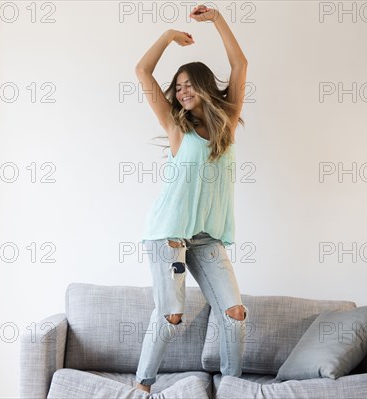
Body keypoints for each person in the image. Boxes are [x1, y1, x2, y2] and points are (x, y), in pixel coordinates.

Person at [133, 4, 249, 394]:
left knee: (234, 314)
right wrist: (168, 36)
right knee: (172, 317)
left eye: (188, 85)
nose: (181, 91)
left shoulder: (227, 125)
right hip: (169, 233)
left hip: (205, 237)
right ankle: (143, 386)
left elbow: (240, 64)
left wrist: (217, 20)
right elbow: (142, 72)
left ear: (203, 86)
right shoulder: (174, 126)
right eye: (177, 86)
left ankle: (232, 387)